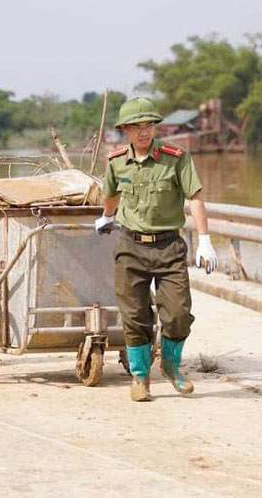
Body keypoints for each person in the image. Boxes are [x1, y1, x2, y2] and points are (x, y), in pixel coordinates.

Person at [96, 97, 218, 402]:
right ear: (124, 130)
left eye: (148, 125)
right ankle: (140, 378)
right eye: (136, 127)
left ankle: (171, 366)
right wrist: (106, 217)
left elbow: (196, 198)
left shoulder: (176, 158)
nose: (143, 132)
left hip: (169, 246)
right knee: (135, 316)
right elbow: (110, 195)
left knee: (178, 314)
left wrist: (205, 240)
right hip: (131, 247)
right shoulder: (116, 161)